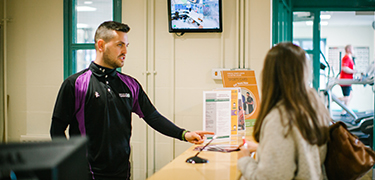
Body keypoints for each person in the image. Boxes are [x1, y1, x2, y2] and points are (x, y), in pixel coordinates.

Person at [50, 21, 214, 180]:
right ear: (101, 45)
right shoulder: (75, 84)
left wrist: (184, 134)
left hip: (121, 172)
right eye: (119, 45)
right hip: (86, 173)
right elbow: (57, 130)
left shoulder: (130, 85)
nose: (125, 52)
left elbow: (152, 116)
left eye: (126, 46)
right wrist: (71, 167)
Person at [237, 42, 331, 179]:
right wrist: (263, 147)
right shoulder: (313, 106)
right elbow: (302, 153)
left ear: (270, 75)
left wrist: (244, 160)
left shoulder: (281, 118)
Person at [339, 44, 356, 116]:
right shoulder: (346, 57)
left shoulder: (350, 58)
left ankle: (344, 110)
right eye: (352, 49)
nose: (353, 50)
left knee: (350, 95)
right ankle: (331, 99)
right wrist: (353, 71)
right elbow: (344, 68)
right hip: (345, 80)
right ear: (348, 49)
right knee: (347, 97)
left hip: (349, 81)